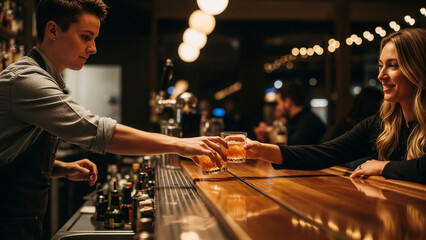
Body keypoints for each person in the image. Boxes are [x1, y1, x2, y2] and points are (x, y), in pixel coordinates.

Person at [0, 1, 227, 239]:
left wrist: (59, 168)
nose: (93, 48)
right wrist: (180, 144)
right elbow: (98, 131)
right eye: (86, 37)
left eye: (94, 38)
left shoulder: (41, 79)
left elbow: (9, 153)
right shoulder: (26, 81)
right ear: (53, 31)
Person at [245, 28, 426, 185]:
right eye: (380, 66)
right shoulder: (381, 124)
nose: (381, 75)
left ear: (417, 69)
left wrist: (383, 166)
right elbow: (324, 153)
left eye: (393, 66)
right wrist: (261, 150)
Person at [254, 81, 326, 145]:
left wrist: (268, 136)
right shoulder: (296, 120)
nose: (277, 107)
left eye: (279, 103)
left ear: (288, 102)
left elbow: (291, 150)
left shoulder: (308, 122)